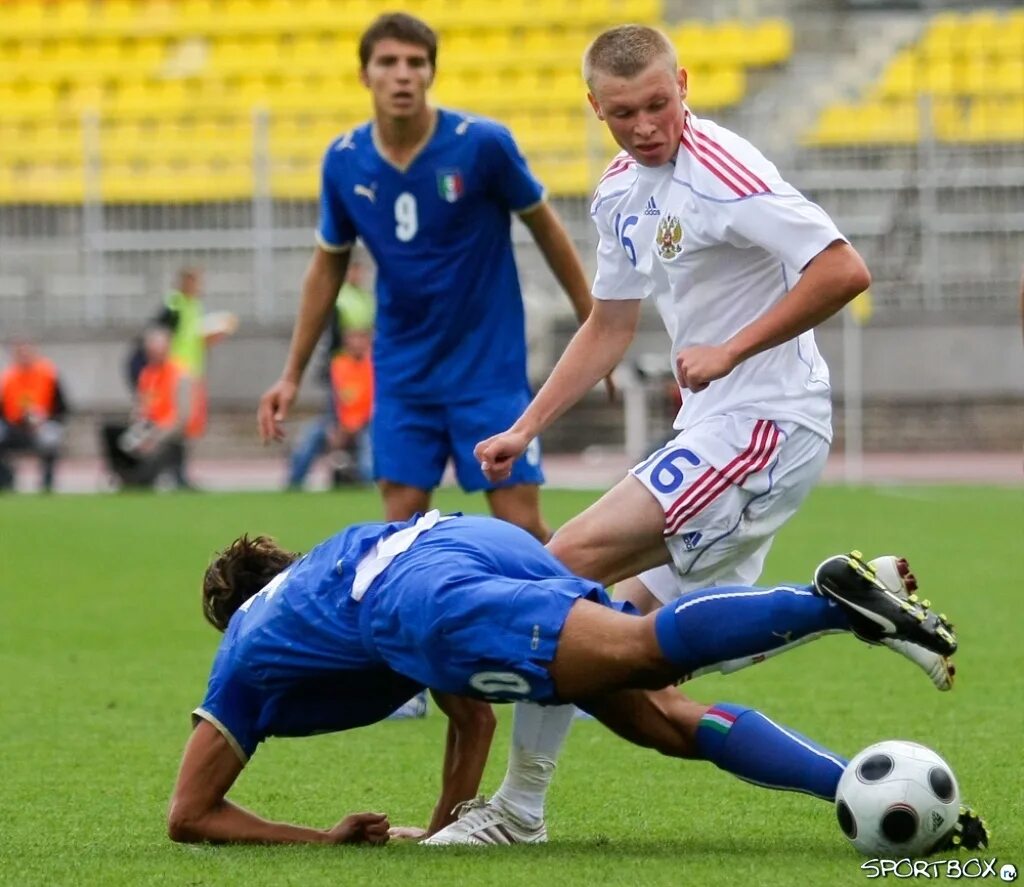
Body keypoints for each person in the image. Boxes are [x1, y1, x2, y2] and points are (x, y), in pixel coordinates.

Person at [446, 24, 953, 844]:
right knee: (624, 658)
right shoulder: (619, 190)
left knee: (558, 571)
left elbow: (842, 268)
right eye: (623, 113)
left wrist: (732, 347)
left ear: (682, 81)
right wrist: (526, 426)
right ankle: (851, 649)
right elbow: (609, 326)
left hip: (764, 421)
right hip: (719, 426)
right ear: (594, 108)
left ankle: (518, 813)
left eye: (657, 103)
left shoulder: (725, 170)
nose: (645, 125)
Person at [167, 513, 983, 849]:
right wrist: (444, 823)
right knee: (656, 716)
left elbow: (189, 814)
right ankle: (862, 793)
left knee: (637, 650)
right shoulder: (326, 569)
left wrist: (327, 842)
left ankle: (831, 601)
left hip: (419, 597)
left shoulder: (245, 648)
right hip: (465, 539)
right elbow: (471, 715)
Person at [258, 12, 604, 543]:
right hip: (404, 371)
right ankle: (423, 627)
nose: (403, 75)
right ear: (364, 75)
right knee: (398, 531)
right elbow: (327, 264)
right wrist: (290, 373)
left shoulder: (482, 144)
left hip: (487, 367)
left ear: (431, 74)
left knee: (520, 524)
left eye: (416, 63)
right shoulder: (344, 161)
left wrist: (593, 324)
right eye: (388, 62)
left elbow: (547, 230)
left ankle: (581, 623)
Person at [286, 261, 375, 490]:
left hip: (365, 423)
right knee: (312, 435)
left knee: (369, 449)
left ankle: (368, 480)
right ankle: (294, 482)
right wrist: (337, 426)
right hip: (343, 421)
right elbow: (335, 399)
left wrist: (355, 425)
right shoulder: (337, 365)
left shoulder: (374, 365)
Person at [100, 327, 191, 489]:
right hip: (147, 427)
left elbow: (181, 419)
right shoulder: (147, 374)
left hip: (167, 433)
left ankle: (147, 477)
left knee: (146, 470)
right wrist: (137, 423)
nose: (152, 354)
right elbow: (142, 406)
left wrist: (155, 438)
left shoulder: (180, 375)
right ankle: (120, 474)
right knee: (111, 430)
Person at [0, 338, 69, 493]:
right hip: (15, 426)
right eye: (19, 353)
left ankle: (47, 482)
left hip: (42, 425)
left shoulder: (48, 374)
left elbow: (62, 407)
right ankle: (5, 479)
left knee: (51, 436)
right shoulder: (9, 377)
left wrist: (45, 419)